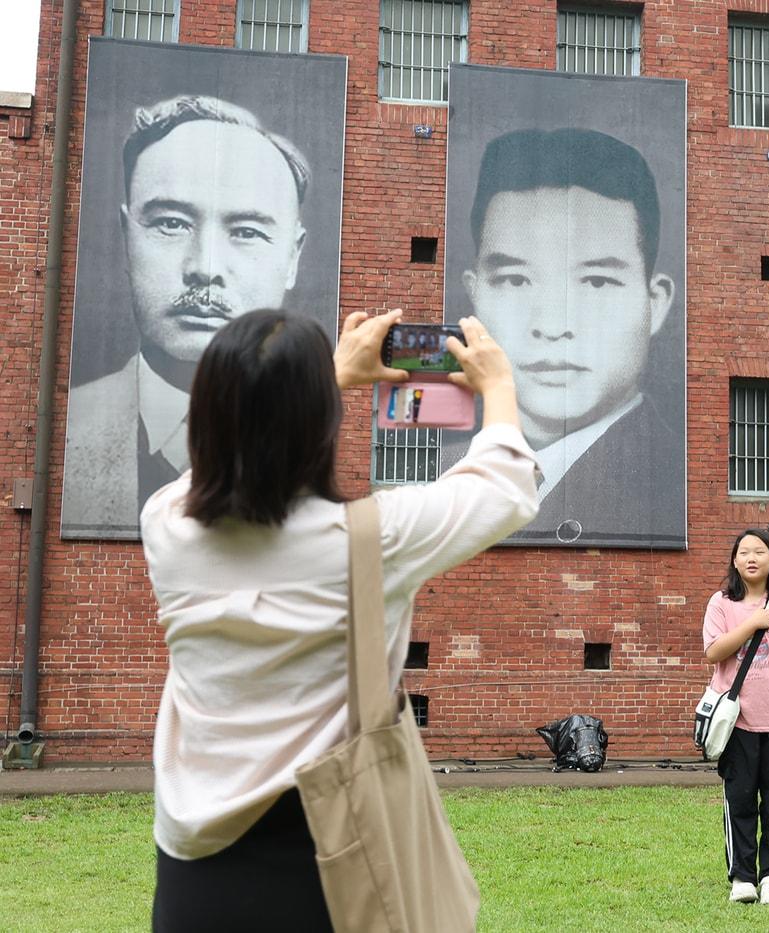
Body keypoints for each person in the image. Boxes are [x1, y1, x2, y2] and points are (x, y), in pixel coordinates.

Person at [141, 308, 538, 930]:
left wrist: (328, 375)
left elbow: (235, 444)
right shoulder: (370, 540)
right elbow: (505, 485)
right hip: (333, 862)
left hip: (193, 870)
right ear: (322, 424)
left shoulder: (166, 524)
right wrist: (499, 388)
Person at [65, 95, 312, 537]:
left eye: (247, 232)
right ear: (126, 236)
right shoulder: (68, 427)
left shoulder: (318, 434)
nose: (205, 266)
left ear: (293, 258)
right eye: (171, 223)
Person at [459, 127, 684, 548]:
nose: (551, 325)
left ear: (655, 302)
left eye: (597, 282)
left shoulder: (676, 477)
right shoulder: (445, 471)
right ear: (476, 296)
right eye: (514, 280)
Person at [702, 528, 769, 905]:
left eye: (759, 552)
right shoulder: (721, 603)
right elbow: (715, 653)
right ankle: (743, 876)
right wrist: (754, 623)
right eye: (744, 552)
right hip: (738, 723)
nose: (751, 558)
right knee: (740, 799)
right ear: (734, 560)